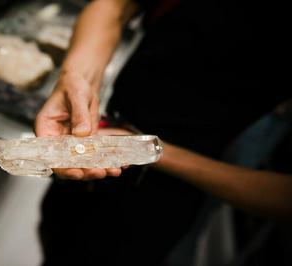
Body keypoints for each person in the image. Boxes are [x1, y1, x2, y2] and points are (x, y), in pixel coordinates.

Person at [35, 0, 291, 265]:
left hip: (175, 183)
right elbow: (116, 6)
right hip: (104, 136)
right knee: (58, 232)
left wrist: (143, 148)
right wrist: (76, 81)